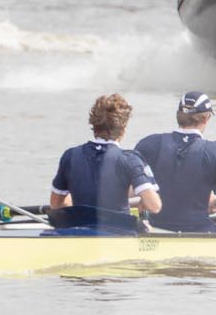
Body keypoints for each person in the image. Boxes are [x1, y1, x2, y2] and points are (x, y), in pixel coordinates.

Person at [47, 93, 162, 232]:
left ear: (93, 124)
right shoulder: (130, 159)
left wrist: (85, 207)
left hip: (79, 229)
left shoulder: (70, 155)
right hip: (118, 232)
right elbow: (154, 206)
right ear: (124, 127)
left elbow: (55, 204)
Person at [133, 93, 216, 233]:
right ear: (207, 117)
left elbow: (129, 189)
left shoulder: (148, 144)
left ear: (178, 115)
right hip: (200, 233)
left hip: (157, 230)